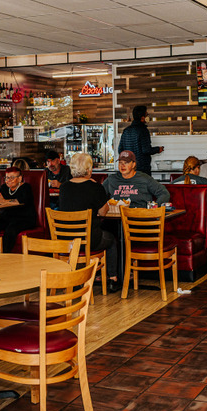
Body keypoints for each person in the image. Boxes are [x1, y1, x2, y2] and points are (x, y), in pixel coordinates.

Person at [59, 153, 119, 292]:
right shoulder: (95, 187)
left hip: (65, 240)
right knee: (111, 239)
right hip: (88, 240)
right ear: (89, 170)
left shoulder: (64, 188)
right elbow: (103, 213)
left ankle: (75, 279)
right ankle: (112, 279)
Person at [0, 167, 37, 253]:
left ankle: (5, 255)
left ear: (20, 178)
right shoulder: (4, 188)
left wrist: (4, 201)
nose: (8, 180)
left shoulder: (26, 187)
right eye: (7, 177)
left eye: (12, 177)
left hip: (24, 219)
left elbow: (22, 200)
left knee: (10, 230)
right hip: (7, 218)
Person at [103, 150, 170, 208]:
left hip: (139, 217)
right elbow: (99, 194)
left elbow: (164, 193)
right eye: (120, 162)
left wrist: (154, 207)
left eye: (126, 163)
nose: (122, 166)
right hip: (116, 218)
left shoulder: (144, 178)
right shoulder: (111, 179)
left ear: (133, 164)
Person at [117, 105, 164, 175]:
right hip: (142, 169)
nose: (147, 117)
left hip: (129, 169)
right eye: (147, 115)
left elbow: (120, 150)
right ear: (142, 118)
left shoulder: (126, 131)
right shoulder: (143, 130)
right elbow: (146, 150)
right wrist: (158, 149)